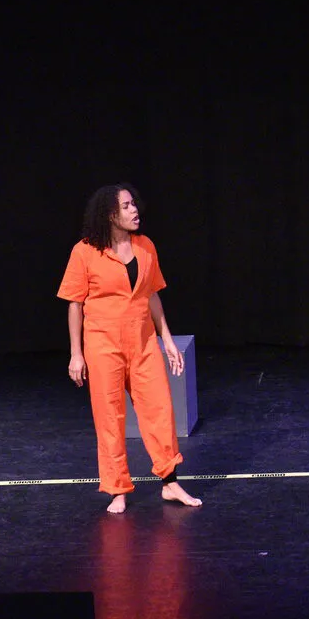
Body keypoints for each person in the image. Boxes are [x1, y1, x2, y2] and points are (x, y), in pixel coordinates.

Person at [58, 183, 203, 514]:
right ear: (110, 214)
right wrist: (76, 353)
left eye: (134, 204)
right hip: (103, 344)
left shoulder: (145, 247)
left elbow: (152, 294)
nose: (134, 209)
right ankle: (117, 489)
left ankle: (170, 483)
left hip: (143, 342)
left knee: (160, 410)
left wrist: (167, 339)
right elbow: (75, 304)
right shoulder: (85, 251)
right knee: (109, 416)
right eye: (126, 206)